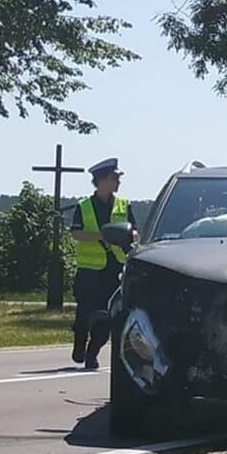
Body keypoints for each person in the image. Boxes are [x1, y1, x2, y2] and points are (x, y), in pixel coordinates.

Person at [69, 157, 135, 370]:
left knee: (107, 316)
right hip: (89, 270)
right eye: (115, 177)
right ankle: (79, 344)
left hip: (114, 269)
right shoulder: (84, 206)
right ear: (102, 180)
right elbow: (76, 233)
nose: (118, 182)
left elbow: (135, 231)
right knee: (84, 314)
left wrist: (125, 235)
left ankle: (93, 353)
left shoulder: (124, 205)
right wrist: (101, 235)